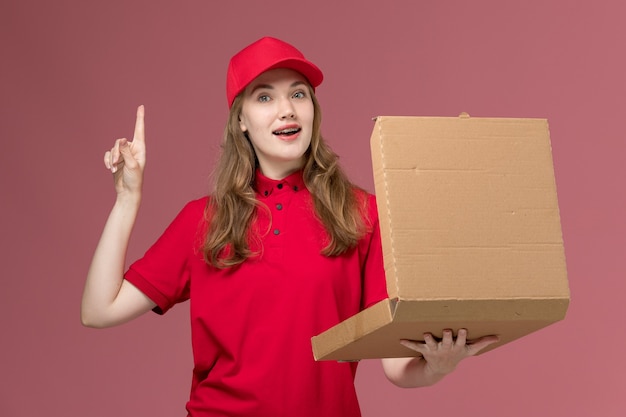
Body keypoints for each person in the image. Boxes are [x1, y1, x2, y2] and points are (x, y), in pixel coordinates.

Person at [82, 36, 498, 417]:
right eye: (265, 97)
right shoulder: (204, 220)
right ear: (240, 120)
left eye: (298, 94)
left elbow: (397, 366)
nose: (287, 109)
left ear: (313, 110)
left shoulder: (362, 214)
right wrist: (127, 199)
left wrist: (438, 366)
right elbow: (99, 311)